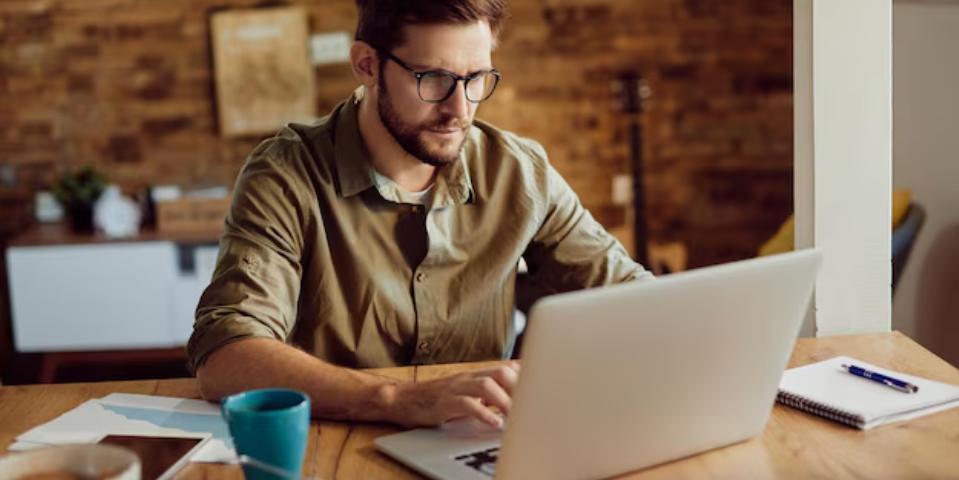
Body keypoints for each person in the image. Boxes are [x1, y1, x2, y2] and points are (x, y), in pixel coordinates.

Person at [187, 0, 652, 428]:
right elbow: (226, 356)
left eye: (477, 79)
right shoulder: (286, 174)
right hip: (335, 442)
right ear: (367, 65)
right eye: (434, 79)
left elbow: (639, 302)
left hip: (476, 441)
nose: (459, 109)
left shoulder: (520, 171)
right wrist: (395, 399)